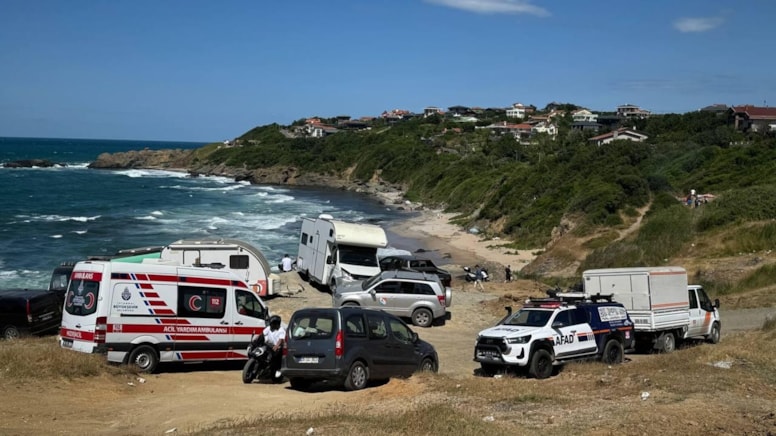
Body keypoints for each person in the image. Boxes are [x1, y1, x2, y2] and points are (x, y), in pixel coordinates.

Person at [263, 315, 286, 379]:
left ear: (276, 324)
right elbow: (263, 334)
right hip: (269, 345)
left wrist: (276, 346)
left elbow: (281, 339)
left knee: (275, 359)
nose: (270, 325)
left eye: (272, 324)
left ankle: (276, 370)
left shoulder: (281, 330)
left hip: (278, 348)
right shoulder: (269, 328)